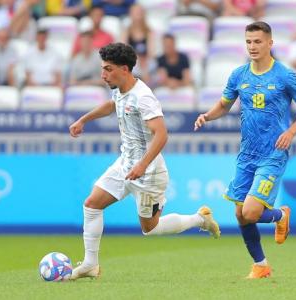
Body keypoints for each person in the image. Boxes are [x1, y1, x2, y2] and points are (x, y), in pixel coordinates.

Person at [69, 43, 221, 280]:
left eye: (108, 69)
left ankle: (199, 219)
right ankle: (90, 264)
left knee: (150, 229)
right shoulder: (119, 89)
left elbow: (162, 134)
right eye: (102, 69)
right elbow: (112, 105)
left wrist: (141, 165)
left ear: (125, 69)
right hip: (124, 165)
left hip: (148, 173)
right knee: (91, 204)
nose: (103, 74)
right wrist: (83, 120)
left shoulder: (144, 97)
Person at [194, 21, 296, 279]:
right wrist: (207, 115)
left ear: (270, 43)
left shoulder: (284, 75)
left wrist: (291, 131)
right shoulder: (239, 75)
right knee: (240, 214)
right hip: (247, 153)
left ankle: (280, 214)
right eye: (249, 41)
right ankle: (260, 265)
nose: (252, 46)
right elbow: (224, 105)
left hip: (273, 153)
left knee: (251, 211)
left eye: (258, 41)